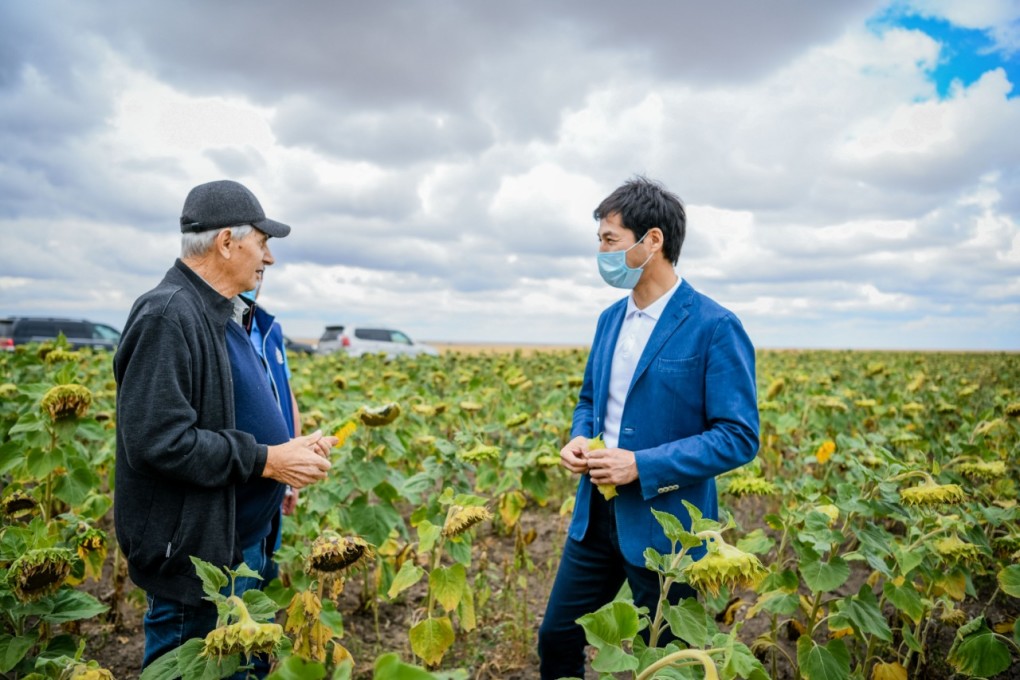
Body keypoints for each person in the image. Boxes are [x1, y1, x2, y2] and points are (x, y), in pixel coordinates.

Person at [537, 177, 760, 678]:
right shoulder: (609, 320)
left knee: (667, 660)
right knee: (557, 636)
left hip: (669, 533)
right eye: (600, 240)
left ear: (652, 240)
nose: (600, 251)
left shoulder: (714, 325)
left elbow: (739, 435)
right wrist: (578, 437)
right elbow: (591, 400)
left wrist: (641, 464)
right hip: (595, 517)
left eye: (609, 240)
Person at [113, 179, 337, 672]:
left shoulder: (222, 314)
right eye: (262, 242)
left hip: (238, 541)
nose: (269, 258)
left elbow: (226, 416)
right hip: (194, 558)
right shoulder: (167, 315)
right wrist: (268, 459)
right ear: (227, 242)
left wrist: (288, 450)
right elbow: (158, 443)